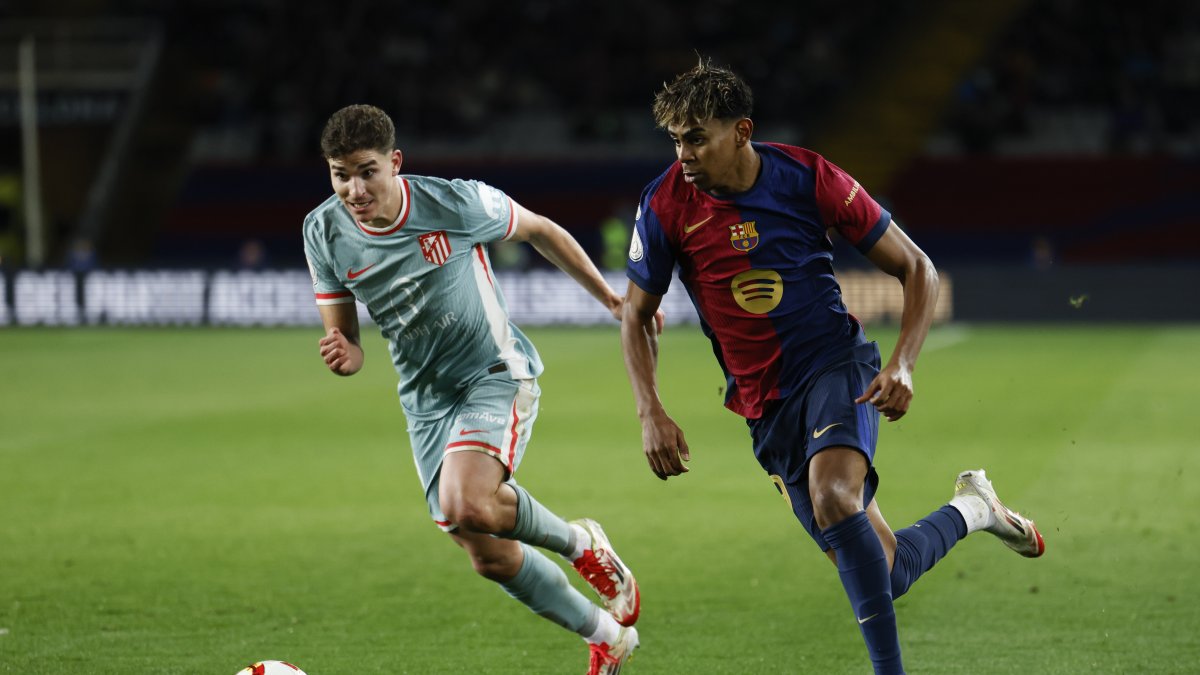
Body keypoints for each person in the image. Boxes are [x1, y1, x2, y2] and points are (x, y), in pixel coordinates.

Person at [620, 60, 1045, 673]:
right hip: (764, 408)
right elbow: (636, 316)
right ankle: (975, 509)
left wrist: (902, 364)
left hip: (833, 365)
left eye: (696, 137)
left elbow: (916, 268)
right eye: (675, 139)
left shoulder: (806, 177)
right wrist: (650, 410)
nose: (682, 153)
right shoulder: (665, 204)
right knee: (884, 569)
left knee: (834, 496)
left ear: (741, 131)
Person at [303, 104, 646, 674]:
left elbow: (541, 229)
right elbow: (346, 336)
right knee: (487, 554)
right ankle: (607, 636)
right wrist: (347, 355)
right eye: (341, 175)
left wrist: (610, 299)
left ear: (395, 163)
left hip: (494, 373)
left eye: (367, 171)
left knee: (468, 501)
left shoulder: (453, 202)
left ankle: (580, 543)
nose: (355, 189)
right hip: (424, 399)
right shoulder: (323, 231)